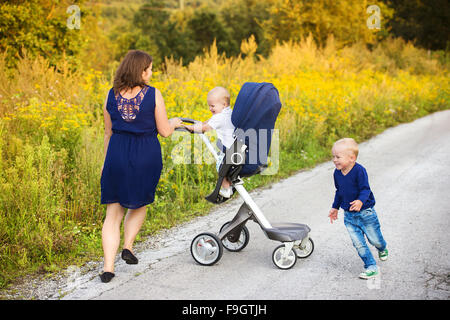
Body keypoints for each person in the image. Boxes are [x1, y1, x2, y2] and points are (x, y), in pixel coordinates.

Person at [100, 50, 182, 283]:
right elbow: (165, 131)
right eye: (150, 68)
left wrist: (106, 163)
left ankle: (108, 268)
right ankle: (128, 246)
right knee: (140, 202)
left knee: (112, 214)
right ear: (141, 70)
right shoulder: (153, 95)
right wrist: (174, 122)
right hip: (145, 155)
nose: (152, 72)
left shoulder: (110, 95)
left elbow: (108, 133)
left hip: (116, 154)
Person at [328, 138, 388, 279]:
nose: (334, 160)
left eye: (338, 157)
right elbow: (339, 191)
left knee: (375, 240)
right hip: (349, 216)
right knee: (358, 244)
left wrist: (361, 201)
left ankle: (382, 247)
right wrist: (335, 207)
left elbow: (365, 189)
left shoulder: (359, 171)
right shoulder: (337, 173)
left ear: (351, 158)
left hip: (366, 213)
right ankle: (371, 266)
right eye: (333, 157)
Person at [185, 86, 235, 198]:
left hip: (228, 151)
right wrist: (200, 124)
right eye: (209, 105)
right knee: (227, 167)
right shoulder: (229, 113)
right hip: (235, 149)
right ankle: (231, 184)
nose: (210, 108)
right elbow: (207, 122)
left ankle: (227, 189)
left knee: (220, 167)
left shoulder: (219, 118)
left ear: (224, 104)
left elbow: (205, 128)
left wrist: (190, 128)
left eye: (212, 106)